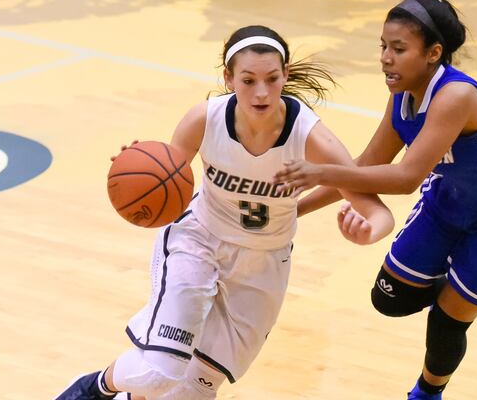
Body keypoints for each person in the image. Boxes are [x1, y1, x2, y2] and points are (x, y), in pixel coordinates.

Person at [55, 25, 395, 400]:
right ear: (228, 78)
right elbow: (167, 177)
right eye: (248, 80)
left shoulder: (311, 137)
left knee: (193, 391)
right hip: (199, 240)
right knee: (158, 373)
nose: (261, 92)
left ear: (286, 75)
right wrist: (137, 169)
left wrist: (370, 231)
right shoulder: (204, 119)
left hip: (263, 263)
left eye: (271, 78)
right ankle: (92, 389)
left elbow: (376, 209)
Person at [273, 0, 477, 400]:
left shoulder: (456, 97)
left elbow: (406, 178)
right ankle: (456, 284)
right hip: (451, 196)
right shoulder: (403, 97)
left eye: (399, 49)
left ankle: (427, 393)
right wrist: (295, 210)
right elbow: (368, 164)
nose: (385, 58)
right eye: (383, 47)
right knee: (389, 299)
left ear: (433, 53)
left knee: (446, 321)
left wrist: (318, 170)